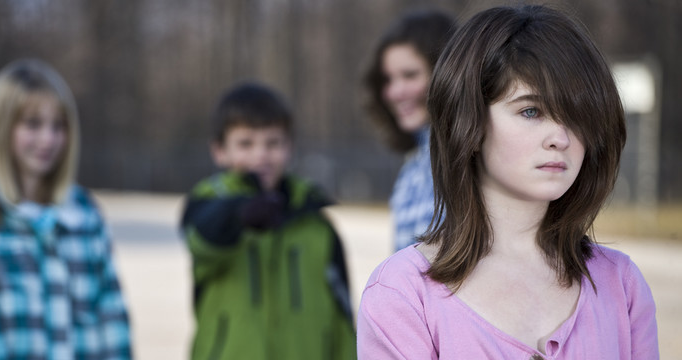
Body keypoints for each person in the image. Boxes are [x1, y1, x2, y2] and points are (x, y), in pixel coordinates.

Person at [357, 5, 659, 359]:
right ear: (469, 119)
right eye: (531, 111)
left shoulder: (622, 286)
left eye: (578, 115)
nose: (560, 137)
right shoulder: (401, 294)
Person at [0, 59, 133, 359]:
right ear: (0, 127)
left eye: (58, 126)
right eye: (33, 124)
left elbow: (114, 331)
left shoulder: (85, 216)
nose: (48, 139)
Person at [180, 83, 356, 360]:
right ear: (219, 151)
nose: (260, 155)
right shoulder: (207, 204)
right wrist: (239, 214)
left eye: (273, 143)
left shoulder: (316, 224)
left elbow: (342, 311)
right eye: (245, 143)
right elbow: (201, 241)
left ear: (290, 147)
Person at [363, 10, 456, 251]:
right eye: (388, 79)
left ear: (446, 73)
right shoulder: (414, 163)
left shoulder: (468, 156)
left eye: (410, 75)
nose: (395, 92)